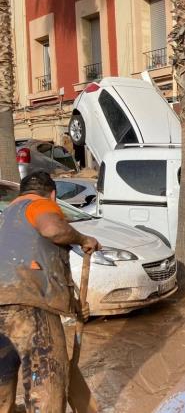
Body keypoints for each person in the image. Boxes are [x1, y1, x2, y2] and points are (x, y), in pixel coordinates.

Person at [0, 171, 100, 413]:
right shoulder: (40, 204)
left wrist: (75, 306)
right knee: (46, 388)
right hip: (32, 309)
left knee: (2, 392)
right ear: (53, 194)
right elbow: (53, 230)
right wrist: (83, 238)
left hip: (3, 313)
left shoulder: (8, 217)